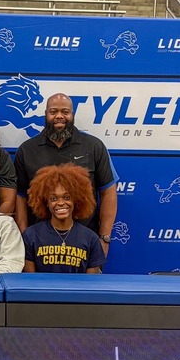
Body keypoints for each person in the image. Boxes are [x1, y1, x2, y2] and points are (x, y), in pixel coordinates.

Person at [13, 93, 116, 255]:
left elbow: (108, 191)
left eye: (65, 112)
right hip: (39, 246)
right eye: (53, 112)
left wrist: (104, 238)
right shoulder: (27, 150)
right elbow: (20, 196)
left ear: (72, 115)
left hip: (85, 244)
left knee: (89, 281)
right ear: (45, 114)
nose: (59, 116)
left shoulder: (94, 146)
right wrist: (24, 237)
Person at [22, 164, 106, 273]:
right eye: (53, 198)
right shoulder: (31, 235)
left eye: (67, 197)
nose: (61, 203)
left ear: (76, 199)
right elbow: (29, 283)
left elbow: (90, 286)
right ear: (46, 202)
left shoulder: (90, 239)